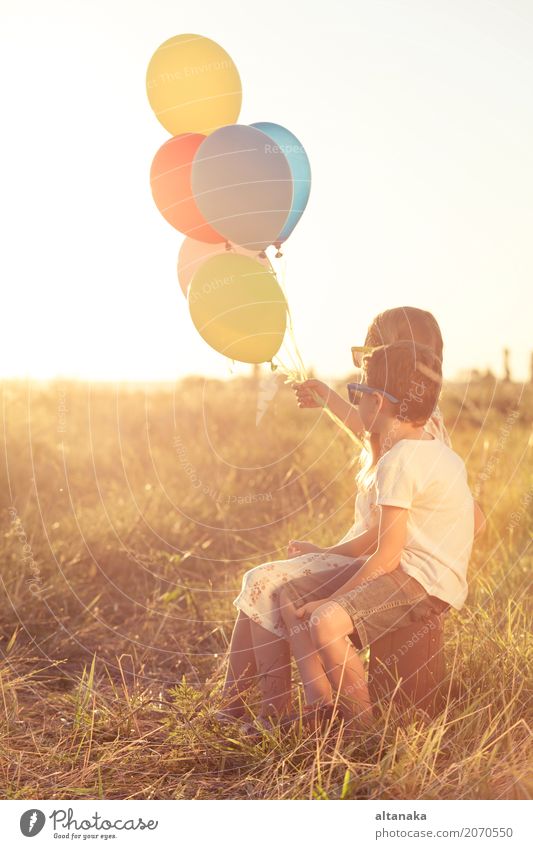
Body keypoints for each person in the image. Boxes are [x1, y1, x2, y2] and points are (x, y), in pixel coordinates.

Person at [221, 308, 483, 724]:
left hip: (381, 560)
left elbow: (390, 539)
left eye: (369, 351)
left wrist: (335, 561)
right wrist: (329, 398)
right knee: (271, 587)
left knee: (267, 583)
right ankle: (270, 710)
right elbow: (370, 430)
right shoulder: (408, 418)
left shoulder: (417, 439)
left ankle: (264, 712)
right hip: (374, 553)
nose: (361, 360)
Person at [279, 341, 475, 727]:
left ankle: (363, 729)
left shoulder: (399, 460)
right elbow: (380, 541)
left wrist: (331, 600)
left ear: (379, 403)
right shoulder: (423, 447)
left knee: (325, 622)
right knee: (291, 592)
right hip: (407, 567)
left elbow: (386, 557)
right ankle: (320, 704)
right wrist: (324, 555)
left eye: (358, 393)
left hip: (425, 580)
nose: (356, 403)